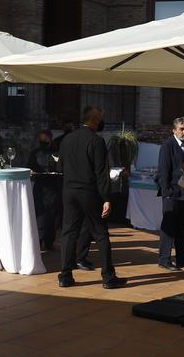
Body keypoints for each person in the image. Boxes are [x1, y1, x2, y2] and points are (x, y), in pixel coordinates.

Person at [58, 106, 125, 290]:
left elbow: (60, 165)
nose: (102, 121)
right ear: (94, 120)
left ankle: (65, 275)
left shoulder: (67, 139)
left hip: (69, 190)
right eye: (101, 118)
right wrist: (106, 198)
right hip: (88, 192)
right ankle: (108, 277)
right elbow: (101, 173)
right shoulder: (96, 141)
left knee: (69, 232)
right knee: (101, 233)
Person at [156, 117, 184, 271]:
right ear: (174, 130)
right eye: (181, 129)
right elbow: (163, 171)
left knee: (182, 227)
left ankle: (182, 258)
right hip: (171, 193)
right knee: (169, 227)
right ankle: (164, 259)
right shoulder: (167, 146)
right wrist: (167, 192)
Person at [28, 130, 62, 252]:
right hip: (40, 187)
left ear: (50, 139)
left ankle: (49, 241)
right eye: (41, 140)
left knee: (52, 216)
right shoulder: (35, 153)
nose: (43, 142)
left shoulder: (57, 152)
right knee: (40, 215)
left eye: (45, 140)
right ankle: (39, 240)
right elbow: (30, 166)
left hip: (53, 187)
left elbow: (60, 168)